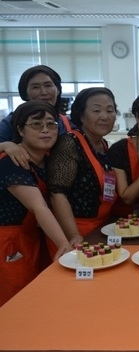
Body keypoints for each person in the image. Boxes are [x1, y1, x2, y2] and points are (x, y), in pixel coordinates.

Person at [0, 101, 71, 307]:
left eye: (51, 124)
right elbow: (38, 207)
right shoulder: (10, 161)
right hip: (9, 241)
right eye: (36, 124)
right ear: (20, 130)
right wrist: (64, 244)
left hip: (33, 237)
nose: (45, 130)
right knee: (15, 301)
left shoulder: (48, 158)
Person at [48, 88, 119, 246]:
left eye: (110, 110)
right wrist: (73, 234)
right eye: (96, 110)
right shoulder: (69, 143)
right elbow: (57, 193)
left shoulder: (102, 144)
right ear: (81, 115)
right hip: (74, 231)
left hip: (101, 227)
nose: (104, 116)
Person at [0, 65, 72, 168]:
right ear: (26, 94)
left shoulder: (69, 123)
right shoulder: (11, 122)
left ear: (58, 90)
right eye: (35, 87)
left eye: (48, 85)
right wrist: (5, 145)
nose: (43, 92)